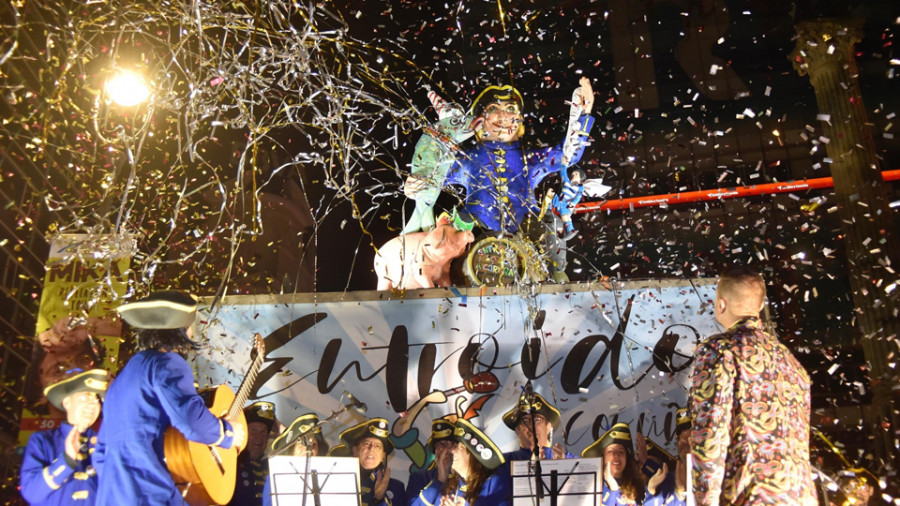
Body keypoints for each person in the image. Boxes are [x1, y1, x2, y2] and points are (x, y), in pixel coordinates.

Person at [93, 291, 247, 505]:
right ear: (182, 331)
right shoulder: (168, 364)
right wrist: (227, 432)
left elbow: (100, 456)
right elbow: (191, 420)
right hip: (151, 494)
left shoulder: (123, 378)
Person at [437, 78, 595, 282]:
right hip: (475, 229)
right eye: (493, 108)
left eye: (510, 108)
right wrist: (419, 176)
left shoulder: (530, 158)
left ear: (519, 119)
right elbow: (436, 173)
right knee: (444, 234)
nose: (504, 115)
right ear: (478, 121)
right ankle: (439, 275)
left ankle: (558, 273)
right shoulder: (468, 158)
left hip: (525, 229)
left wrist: (584, 113)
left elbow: (568, 155)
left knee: (551, 224)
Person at [691, 266, 817, 505]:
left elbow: (710, 435)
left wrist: (705, 500)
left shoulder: (720, 350)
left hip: (750, 495)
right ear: (760, 307)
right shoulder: (792, 362)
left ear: (721, 305)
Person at [20, 368, 108, 505]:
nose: (92, 405)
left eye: (96, 399)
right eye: (85, 397)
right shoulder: (43, 441)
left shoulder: (105, 446)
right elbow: (31, 492)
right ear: (66, 402)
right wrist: (66, 461)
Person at [414, 417, 510, 506]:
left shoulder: (494, 481)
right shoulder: (450, 487)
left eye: (458, 447)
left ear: (472, 454)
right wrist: (440, 479)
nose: (451, 451)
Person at [262, 412, 330, 506]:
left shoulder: (329, 477)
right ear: (291, 450)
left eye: (313, 444)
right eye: (302, 443)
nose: (307, 449)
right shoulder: (276, 477)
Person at [336, 417, 406, 506]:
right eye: (367, 444)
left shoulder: (396, 487)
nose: (372, 448)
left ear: (383, 456)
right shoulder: (337, 480)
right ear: (355, 451)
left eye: (378, 446)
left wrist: (379, 499)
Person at [581, 422, 645, 505]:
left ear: (627, 459)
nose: (616, 455)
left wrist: (645, 462)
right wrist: (612, 489)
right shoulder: (591, 485)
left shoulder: (637, 488)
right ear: (602, 458)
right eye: (610, 451)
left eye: (621, 452)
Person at [229, 401, 277, 506]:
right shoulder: (230, 462)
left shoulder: (272, 468)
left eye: (264, 432)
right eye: (253, 430)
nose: (258, 437)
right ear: (243, 432)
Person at [501, 390, 570, 461]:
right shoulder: (504, 463)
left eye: (537, 420)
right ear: (518, 430)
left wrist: (563, 465)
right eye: (526, 421)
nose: (531, 425)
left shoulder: (569, 460)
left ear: (548, 426)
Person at [405, 418, 456, 505]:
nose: (441, 449)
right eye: (437, 445)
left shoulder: (468, 479)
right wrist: (440, 480)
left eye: (447, 444)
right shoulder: (419, 478)